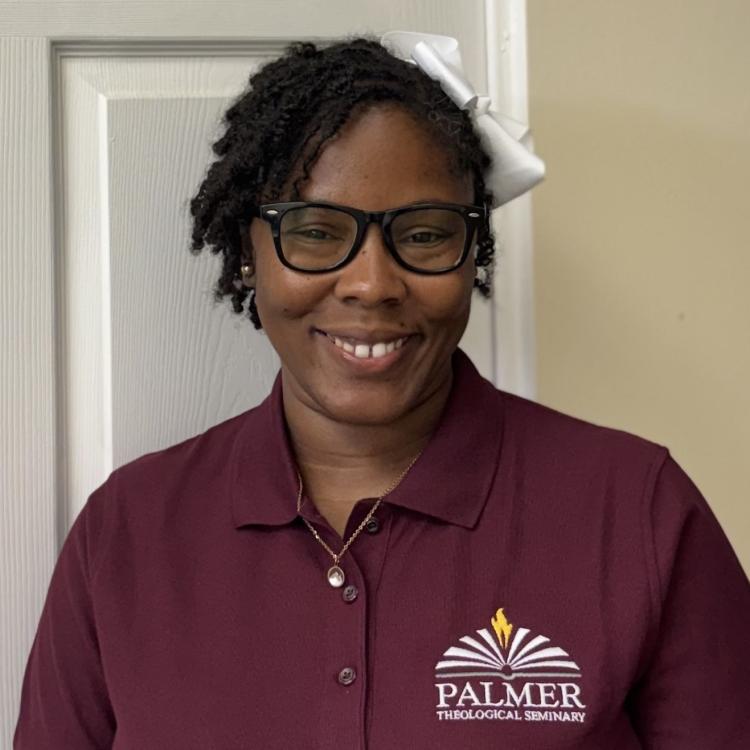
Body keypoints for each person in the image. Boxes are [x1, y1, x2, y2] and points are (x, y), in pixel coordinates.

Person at [14, 31, 750, 749]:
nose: (371, 284)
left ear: (473, 251)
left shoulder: (638, 510)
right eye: (315, 231)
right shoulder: (127, 533)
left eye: (424, 234)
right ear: (247, 252)